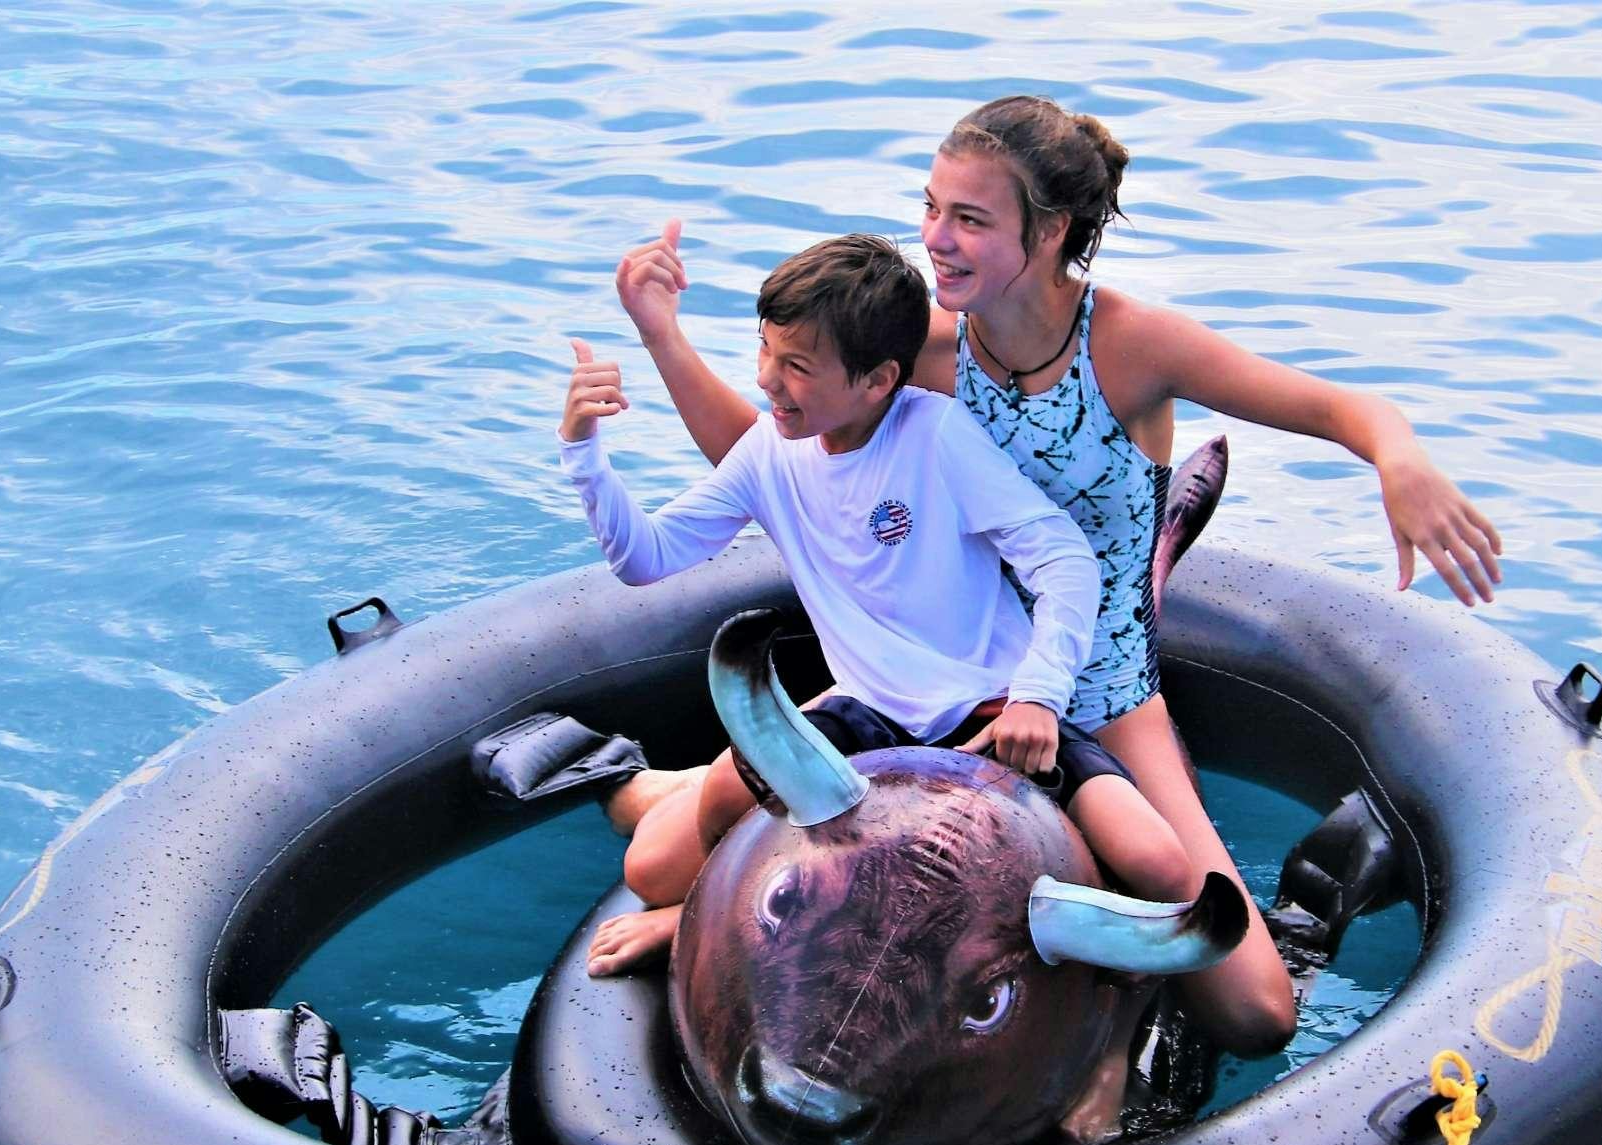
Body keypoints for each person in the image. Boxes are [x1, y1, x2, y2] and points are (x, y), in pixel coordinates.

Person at [598, 95, 1505, 1057]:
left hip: (1101, 687)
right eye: (932, 207)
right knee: (660, 863)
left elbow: (1340, 405)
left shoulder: (1130, 345)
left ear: (1052, 230)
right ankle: (677, 802)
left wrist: (1397, 457)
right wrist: (662, 333)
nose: (935, 241)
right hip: (956, 680)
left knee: (1253, 1012)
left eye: (971, 219)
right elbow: (781, 454)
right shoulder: (929, 354)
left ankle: (675, 784)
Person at [562, 234, 1236, 1137]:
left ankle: (1112, 1036)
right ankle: (693, 917)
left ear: (879, 379)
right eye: (765, 350)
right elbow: (645, 559)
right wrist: (584, 449)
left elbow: (1066, 562)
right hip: (866, 714)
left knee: (1155, 862)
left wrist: (1037, 694)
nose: (769, 380)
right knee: (651, 866)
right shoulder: (771, 453)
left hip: (991, 715)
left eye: (798, 364)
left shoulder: (938, 437)